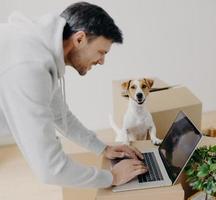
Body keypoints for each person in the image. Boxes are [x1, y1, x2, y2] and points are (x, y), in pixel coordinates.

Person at [0, 2, 147, 188]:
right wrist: (112, 177)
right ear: (79, 39)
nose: (102, 61)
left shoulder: (40, 49)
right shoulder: (29, 67)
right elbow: (51, 170)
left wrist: (103, 148)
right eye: (101, 52)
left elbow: (60, 115)